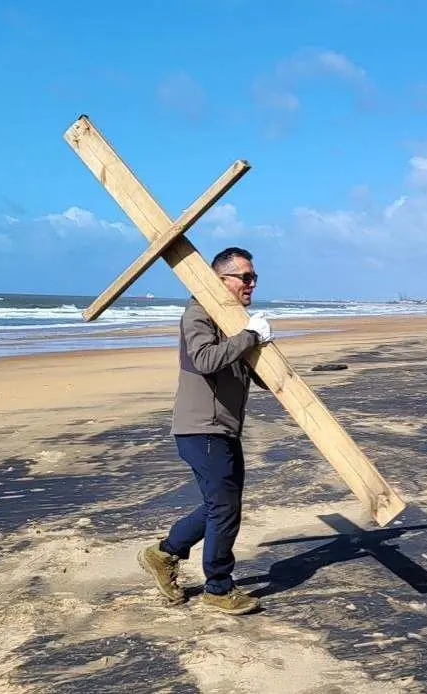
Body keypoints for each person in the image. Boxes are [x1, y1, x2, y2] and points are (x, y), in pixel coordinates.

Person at [138, 247, 273, 615]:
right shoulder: (198, 312)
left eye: (253, 278)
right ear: (220, 279)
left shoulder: (231, 320)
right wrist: (248, 336)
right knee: (223, 508)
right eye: (245, 277)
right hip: (201, 429)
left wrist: (261, 347)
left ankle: (163, 554)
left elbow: (251, 374)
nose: (251, 284)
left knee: (222, 506)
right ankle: (217, 587)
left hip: (224, 429)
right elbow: (205, 359)